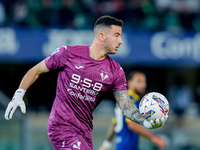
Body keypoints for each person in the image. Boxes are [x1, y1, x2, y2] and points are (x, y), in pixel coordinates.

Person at [4, 15, 167, 150]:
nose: (121, 41)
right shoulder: (68, 53)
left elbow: (125, 105)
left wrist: (144, 119)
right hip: (61, 128)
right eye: (117, 35)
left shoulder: (116, 71)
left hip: (85, 133)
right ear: (102, 36)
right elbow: (36, 70)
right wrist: (19, 94)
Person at [98, 71, 166, 150]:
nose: (143, 85)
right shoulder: (131, 100)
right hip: (128, 145)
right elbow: (132, 125)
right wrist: (154, 138)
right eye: (139, 81)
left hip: (121, 145)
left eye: (144, 82)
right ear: (129, 83)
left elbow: (114, 123)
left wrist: (106, 144)